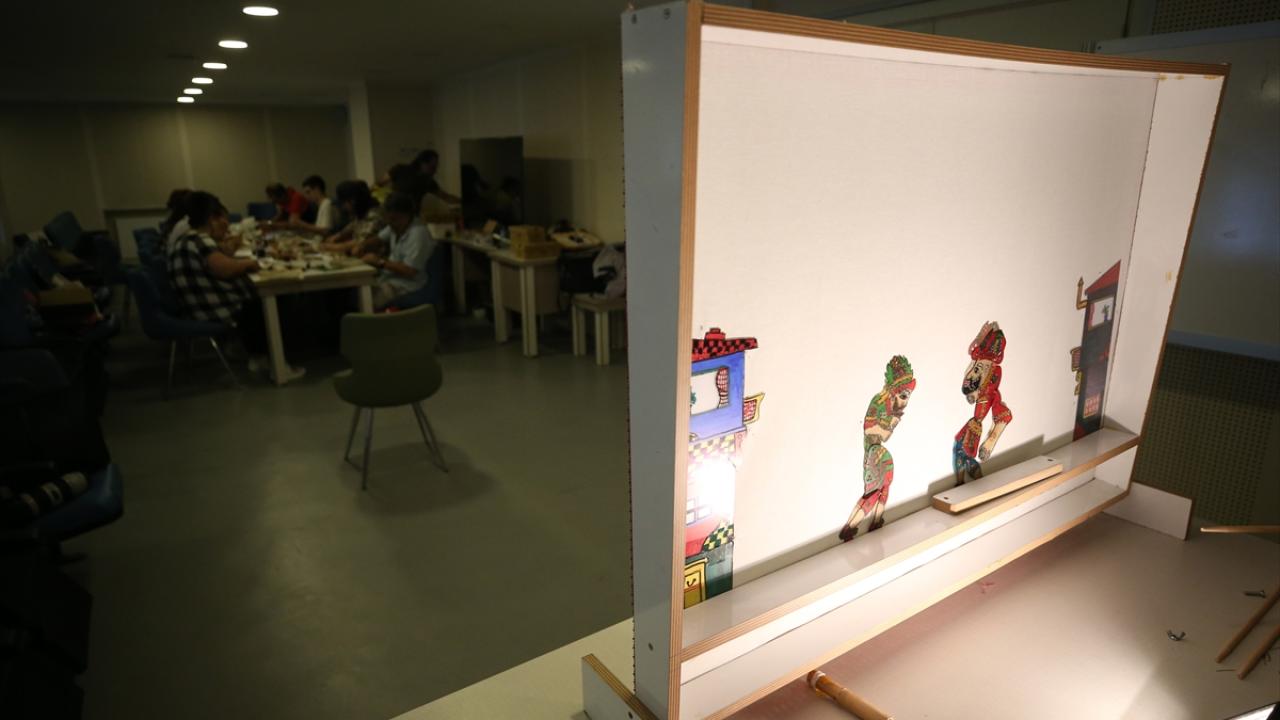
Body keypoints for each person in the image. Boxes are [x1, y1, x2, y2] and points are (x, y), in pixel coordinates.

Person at [168, 191, 304, 382]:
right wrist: (250, 263)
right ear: (211, 218)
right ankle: (279, 366)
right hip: (212, 310)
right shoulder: (199, 239)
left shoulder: (187, 239)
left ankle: (259, 357)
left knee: (257, 300)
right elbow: (225, 269)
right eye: (220, 217)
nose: (224, 223)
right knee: (276, 299)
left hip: (196, 307)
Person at [839, 356, 915, 542]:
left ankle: (876, 521)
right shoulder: (879, 402)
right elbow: (869, 429)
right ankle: (850, 527)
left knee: (885, 487)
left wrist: (892, 423)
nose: (905, 402)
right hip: (873, 452)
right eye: (903, 396)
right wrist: (889, 426)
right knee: (872, 494)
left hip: (879, 450)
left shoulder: (893, 409)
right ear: (894, 390)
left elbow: (885, 436)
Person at [361, 191, 434, 309]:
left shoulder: (418, 234)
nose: (390, 223)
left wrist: (380, 262)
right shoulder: (395, 225)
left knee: (366, 300)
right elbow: (378, 239)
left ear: (408, 215)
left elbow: (410, 271)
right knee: (356, 290)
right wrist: (362, 246)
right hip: (388, 278)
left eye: (394, 219)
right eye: (388, 219)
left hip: (406, 285)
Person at [320, 180, 384, 256]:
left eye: (343, 203)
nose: (343, 207)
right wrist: (335, 237)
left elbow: (361, 241)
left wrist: (326, 246)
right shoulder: (360, 213)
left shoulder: (373, 214)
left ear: (352, 201)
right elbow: (350, 228)